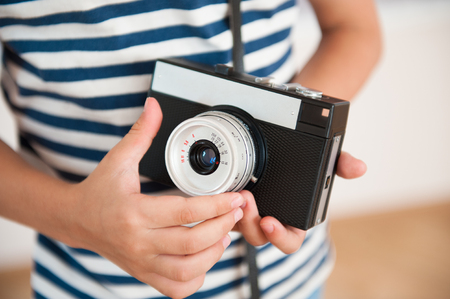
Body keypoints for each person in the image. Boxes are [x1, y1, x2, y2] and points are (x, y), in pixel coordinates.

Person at [0, 0, 380, 298]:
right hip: (89, 279)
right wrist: (77, 220)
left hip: (282, 274)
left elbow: (353, 26)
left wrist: (301, 139)